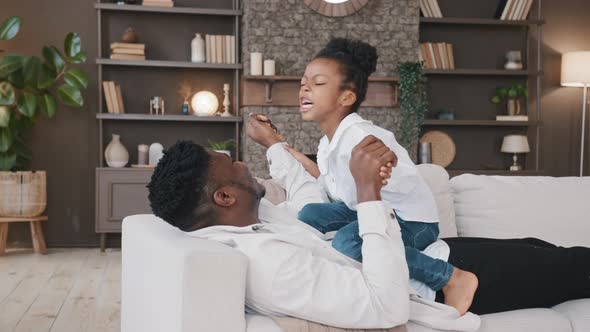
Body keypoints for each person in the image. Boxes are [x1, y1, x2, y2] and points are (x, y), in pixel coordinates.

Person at [147, 136, 590, 331]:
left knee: (543, 249)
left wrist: (276, 145)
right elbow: (384, 306)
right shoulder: (269, 265)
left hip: (427, 255)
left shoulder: (254, 222)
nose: (243, 164)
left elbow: (304, 199)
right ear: (224, 196)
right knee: (574, 268)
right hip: (434, 286)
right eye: (234, 164)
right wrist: (367, 191)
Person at [259, 37, 477, 315]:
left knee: (347, 242)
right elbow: (326, 181)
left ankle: (451, 277)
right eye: (304, 81)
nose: (305, 87)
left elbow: (385, 158)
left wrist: (385, 166)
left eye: (318, 83)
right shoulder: (329, 142)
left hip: (411, 221)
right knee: (312, 213)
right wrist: (278, 143)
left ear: (346, 97)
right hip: (368, 211)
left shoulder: (362, 135)